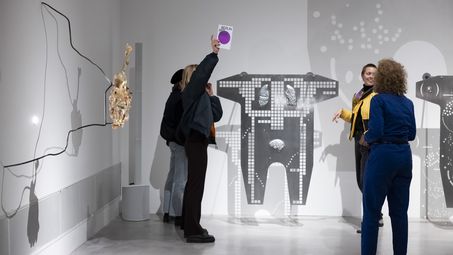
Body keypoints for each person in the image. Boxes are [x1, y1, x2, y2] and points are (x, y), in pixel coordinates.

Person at [361, 59, 416, 255]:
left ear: (381, 78)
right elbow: (411, 134)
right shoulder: (408, 103)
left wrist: (365, 136)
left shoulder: (378, 100)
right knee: (400, 214)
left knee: (371, 213)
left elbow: (375, 132)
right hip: (403, 157)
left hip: (382, 157)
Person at [178, 36, 222, 243]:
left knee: (194, 184)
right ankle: (193, 230)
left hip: (199, 141)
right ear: (192, 78)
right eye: (197, 76)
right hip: (195, 141)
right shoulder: (190, 92)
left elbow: (217, 115)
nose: (201, 79)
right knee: (196, 185)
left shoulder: (199, 97)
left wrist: (212, 96)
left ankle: (190, 224)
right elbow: (202, 73)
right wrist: (213, 54)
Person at [332, 63, 384, 231]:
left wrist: (371, 137)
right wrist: (343, 113)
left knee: (367, 182)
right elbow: (356, 117)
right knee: (361, 181)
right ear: (362, 75)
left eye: (374, 74)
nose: (371, 76)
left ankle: (371, 220)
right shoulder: (359, 94)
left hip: (370, 141)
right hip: (358, 140)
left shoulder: (379, 95)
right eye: (368, 73)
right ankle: (376, 215)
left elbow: (377, 120)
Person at [160, 69, 187, 225]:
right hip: (180, 142)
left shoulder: (172, 96)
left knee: (172, 177)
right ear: (182, 82)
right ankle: (178, 214)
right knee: (180, 179)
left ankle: (167, 211)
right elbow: (181, 123)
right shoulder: (181, 98)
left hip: (172, 142)